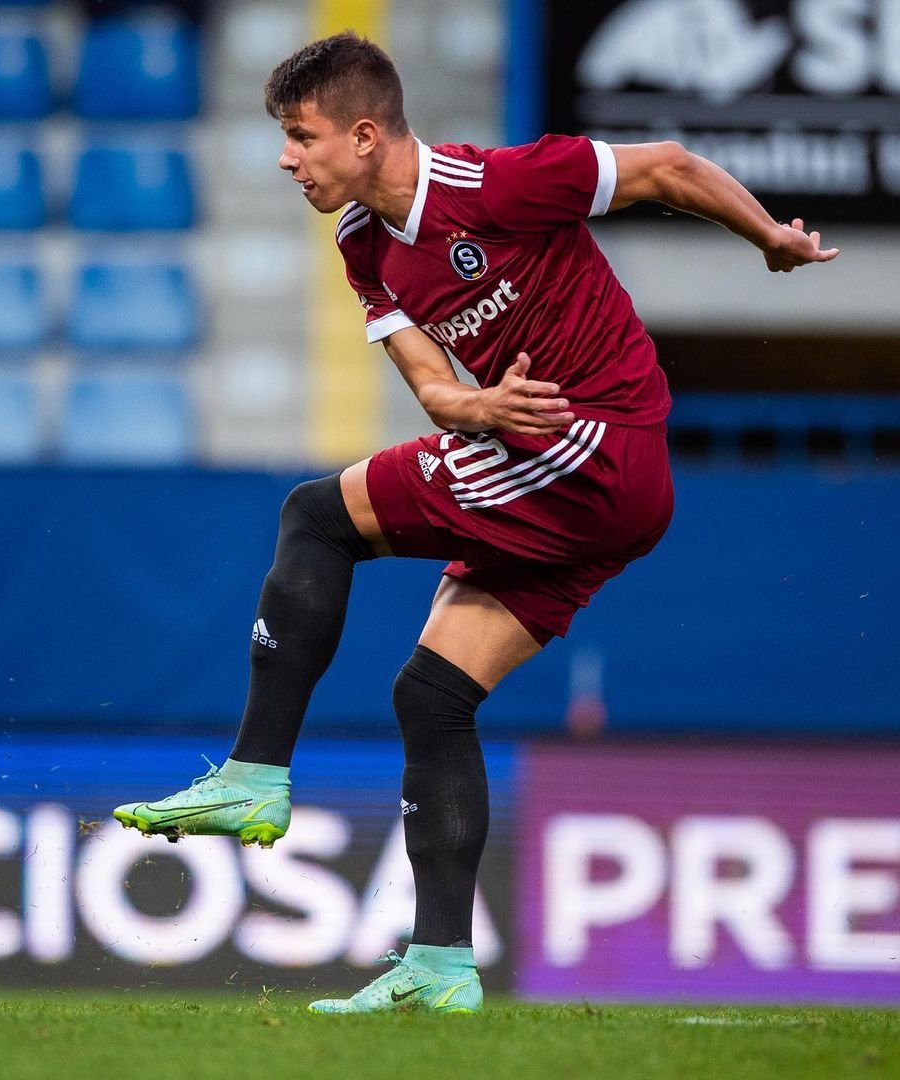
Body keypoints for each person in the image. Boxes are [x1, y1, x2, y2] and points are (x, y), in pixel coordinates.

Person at [113, 31, 838, 1014]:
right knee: (431, 696)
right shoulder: (364, 249)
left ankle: (254, 774)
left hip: (596, 446)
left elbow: (667, 166)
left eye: (302, 136)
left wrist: (769, 240)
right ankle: (444, 968)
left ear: (364, 136)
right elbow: (434, 390)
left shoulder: (500, 184)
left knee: (316, 516)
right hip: (554, 467)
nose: (288, 157)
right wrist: (471, 410)